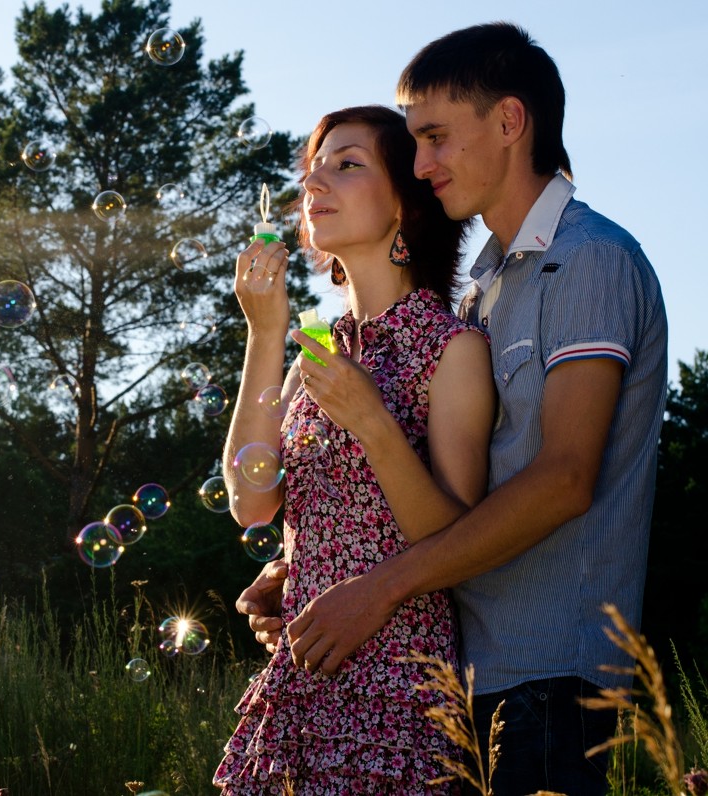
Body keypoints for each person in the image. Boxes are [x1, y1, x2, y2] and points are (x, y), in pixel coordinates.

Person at [240, 23, 669, 796]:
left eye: (435, 138)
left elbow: (566, 479)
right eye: (414, 143)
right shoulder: (487, 290)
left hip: (553, 676)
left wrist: (377, 587)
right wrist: (304, 567)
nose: (424, 163)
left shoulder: (591, 258)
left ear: (509, 122)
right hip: (474, 672)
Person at [213, 104, 496, 794]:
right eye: (313, 170)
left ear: (406, 203)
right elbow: (252, 503)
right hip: (302, 687)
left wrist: (371, 420)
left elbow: (455, 540)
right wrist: (264, 332)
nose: (315, 184)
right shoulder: (316, 350)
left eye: (347, 164)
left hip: (397, 694)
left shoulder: (450, 348)